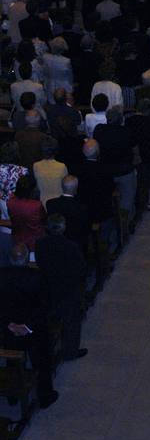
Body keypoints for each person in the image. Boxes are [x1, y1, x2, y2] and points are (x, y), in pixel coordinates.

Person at [0, 242, 58, 408]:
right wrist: (27, 326)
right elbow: (45, 306)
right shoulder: (37, 277)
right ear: (26, 259)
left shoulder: (1, 276)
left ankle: (13, 395)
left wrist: (9, 325)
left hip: (9, 330)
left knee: (12, 360)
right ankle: (45, 395)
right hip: (35, 329)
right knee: (41, 361)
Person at [35, 213, 87, 360]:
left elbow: (40, 263)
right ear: (63, 228)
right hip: (67, 290)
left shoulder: (40, 244)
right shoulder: (72, 247)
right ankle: (70, 351)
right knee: (72, 320)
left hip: (47, 287)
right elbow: (81, 268)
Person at [7, 174, 47, 250]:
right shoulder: (37, 205)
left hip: (17, 240)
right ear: (32, 190)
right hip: (35, 241)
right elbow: (44, 220)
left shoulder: (10, 202)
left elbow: (12, 218)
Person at [33, 138, 68, 205]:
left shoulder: (36, 166)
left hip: (42, 204)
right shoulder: (62, 166)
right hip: (58, 204)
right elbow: (66, 189)